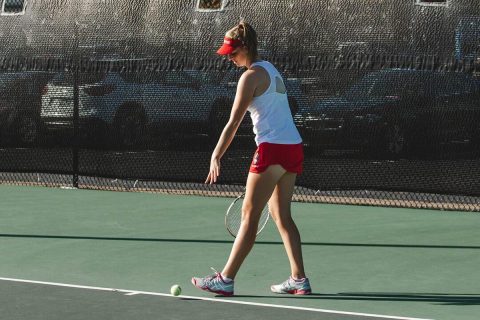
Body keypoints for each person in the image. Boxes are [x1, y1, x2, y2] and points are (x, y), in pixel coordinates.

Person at [191, 21, 311, 296]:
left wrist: (216, 154)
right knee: (282, 216)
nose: (229, 58)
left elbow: (233, 122)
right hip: (293, 147)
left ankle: (225, 279)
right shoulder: (271, 69)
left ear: (245, 47)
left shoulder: (250, 77)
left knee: (249, 216)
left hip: (273, 150)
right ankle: (299, 279)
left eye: (233, 53)